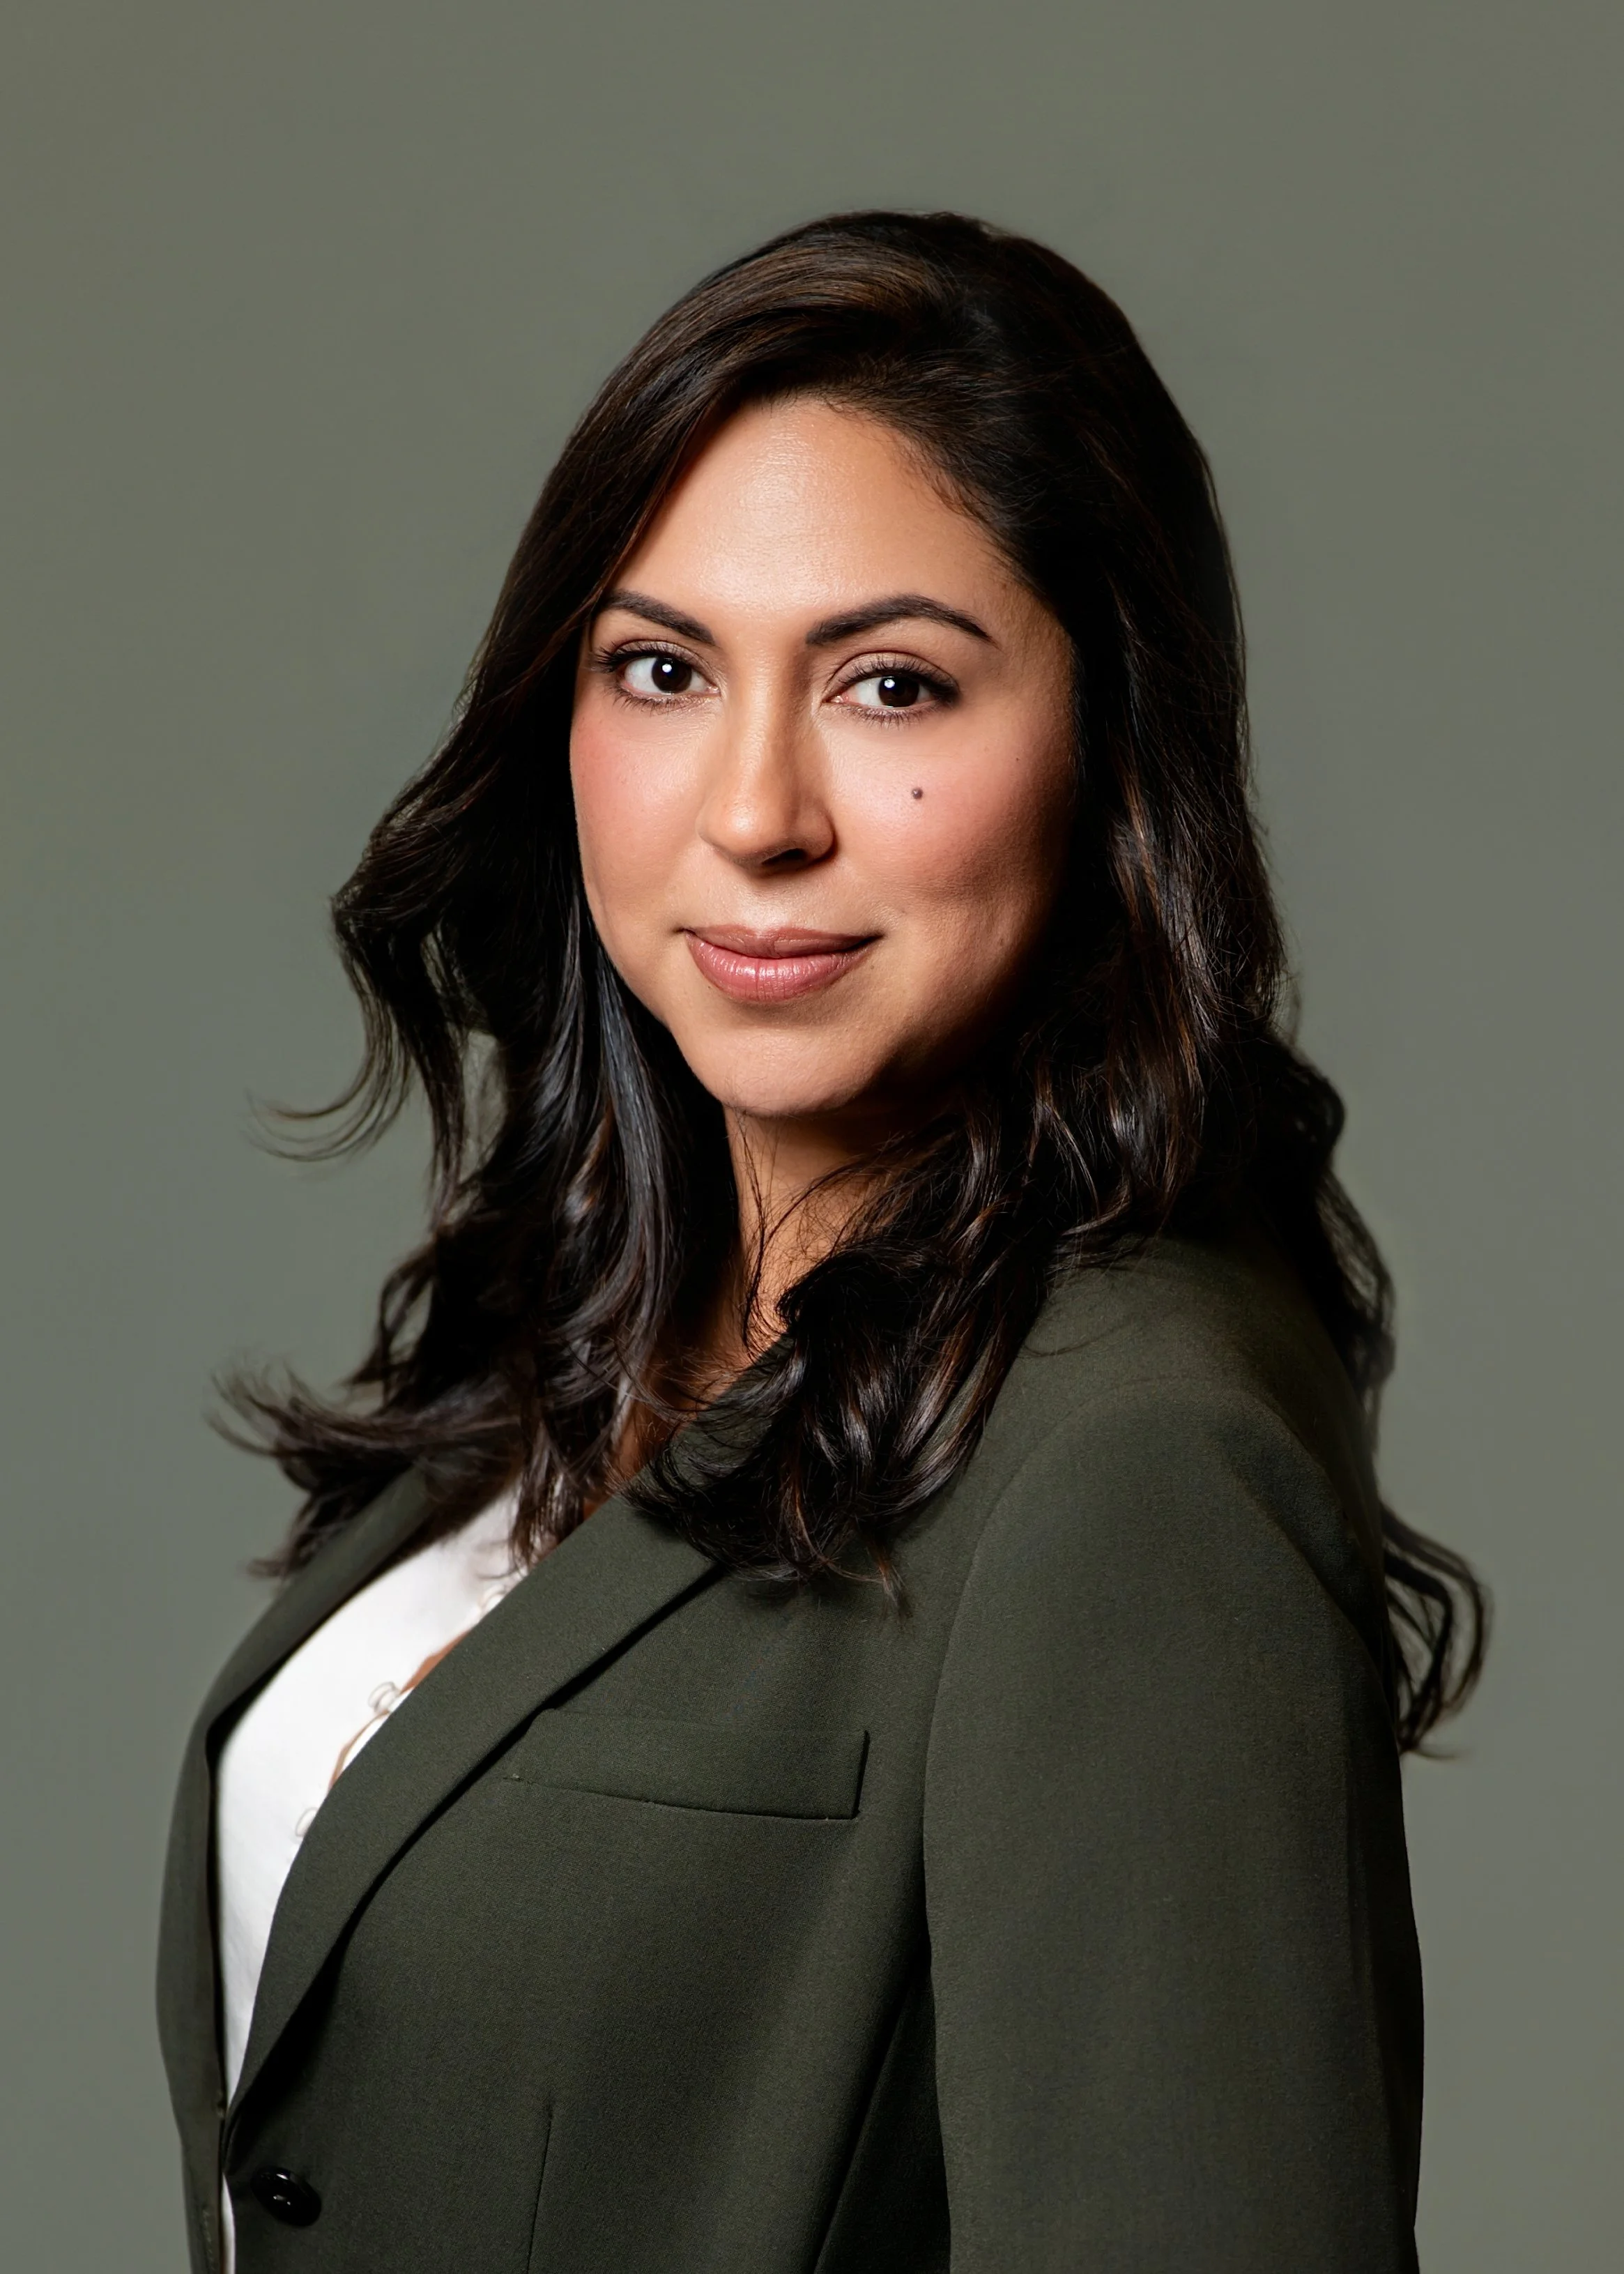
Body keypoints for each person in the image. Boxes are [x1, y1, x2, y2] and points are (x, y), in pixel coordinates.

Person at [158, 210, 1486, 2274]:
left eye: (890, 683)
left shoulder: (1134, 1459)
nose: (756, 807)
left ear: (1107, 752)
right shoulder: (586, 1317)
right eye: (664, 668)